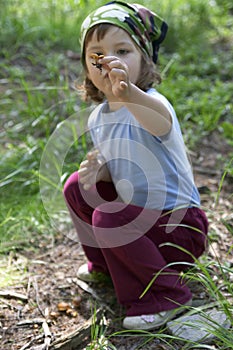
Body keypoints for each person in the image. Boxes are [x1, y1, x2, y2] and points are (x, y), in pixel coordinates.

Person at [63, 0, 209, 330]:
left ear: (144, 59)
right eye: (97, 55)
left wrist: (129, 94)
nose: (109, 61)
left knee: (109, 215)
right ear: (88, 67)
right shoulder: (100, 116)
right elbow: (123, 169)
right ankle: (106, 262)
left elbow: (158, 124)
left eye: (123, 51)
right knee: (76, 187)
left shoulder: (153, 103)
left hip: (178, 228)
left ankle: (165, 294)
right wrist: (101, 172)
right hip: (140, 225)